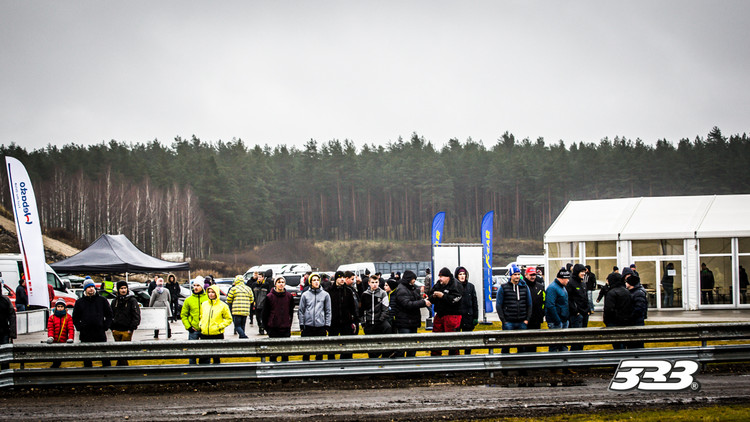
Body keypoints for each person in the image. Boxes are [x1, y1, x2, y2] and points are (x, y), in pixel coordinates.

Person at [72, 279, 113, 367]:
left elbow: (109, 314)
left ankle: (107, 371)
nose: (91, 289)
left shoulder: (102, 300)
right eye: (89, 287)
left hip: (99, 332)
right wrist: (80, 327)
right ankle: (88, 373)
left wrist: (105, 326)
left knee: (104, 355)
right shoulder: (79, 302)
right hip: (85, 333)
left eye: (92, 287)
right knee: (87, 356)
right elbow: (75, 317)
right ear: (85, 289)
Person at [391, 270, 431, 357]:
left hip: (412, 322)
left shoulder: (410, 288)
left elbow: (415, 301)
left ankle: (410, 365)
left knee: (412, 347)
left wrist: (423, 299)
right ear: (409, 279)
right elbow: (407, 304)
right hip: (405, 323)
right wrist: (423, 302)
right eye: (413, 279)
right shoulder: (401, 290)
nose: (414, 281)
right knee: (404, 346)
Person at [496, 264, 532, 354]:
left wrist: (527, 319)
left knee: (522, 347)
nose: (517, 276)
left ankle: (520, 366)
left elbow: (529, 304)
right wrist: (504, 320)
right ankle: (504, 365)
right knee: (506, 346)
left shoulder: (524, 287)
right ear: (511, 276)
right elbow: (498, 305)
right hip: (509, 322)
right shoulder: (503, 288)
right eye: (515, 274)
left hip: (522, 322)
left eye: (518, 274)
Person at [428, 267, 463, 356]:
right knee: (436, 338)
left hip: (452, 315)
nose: (440, 278)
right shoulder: (438, 284)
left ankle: (453, 359)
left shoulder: (456, 284)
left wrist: (443, 296)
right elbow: (430, 296)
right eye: (439, 276)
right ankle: (435, 357)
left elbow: (456, 299)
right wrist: (434, 297)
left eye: (442, 276)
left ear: (448, 277)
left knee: (451, 340)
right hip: (439, 314)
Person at [298, 273, 331, 361]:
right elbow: (301, 310)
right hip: (308, 326)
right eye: (314, 280)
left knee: (319, 352)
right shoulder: (305, 295)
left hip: (320, 326)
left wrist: (327, 325)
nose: (316, 282)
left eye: (317, 280)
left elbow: (328, 311)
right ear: (310, 282)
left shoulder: (325, 295)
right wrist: (301, 324)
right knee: (306, 352)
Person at [262, 276, 295, 362]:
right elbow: (265, 314)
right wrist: (267, 328)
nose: (281, 284)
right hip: (273, 329)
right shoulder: (269, 297)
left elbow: (291, 312)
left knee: (285, 354)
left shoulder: (289, 296)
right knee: (273, 354)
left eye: (282, 282)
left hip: (285, 328)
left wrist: (289, 324)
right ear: (275, 284)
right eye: (279, 282)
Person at [326, 271, 358, 359]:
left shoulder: (348, 291)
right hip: (333, 322)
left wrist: (354, 320)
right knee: (332, 346)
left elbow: (352, 307)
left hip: (346, 322)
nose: (342, 279)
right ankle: (331, 363)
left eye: (343, 277)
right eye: (340, 277)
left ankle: (346, 363)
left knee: (347, 345)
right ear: (336, 279)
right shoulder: (329, 291)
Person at [199, 284, 232, 364]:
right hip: (204, 334)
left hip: (217, 334)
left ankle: (217, 373)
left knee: (216, 357)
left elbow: (229, 319)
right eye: (209, 292)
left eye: (212, 292)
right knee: (203, 357)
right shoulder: (204, 304)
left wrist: (219, 326)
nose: (210, 294)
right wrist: (201, 325)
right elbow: (201, 316)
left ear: (216, 293)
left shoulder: (223, 306)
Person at [110, 281, 141, 366]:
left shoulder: (132, 300)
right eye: (121, 288)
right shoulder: (115, 301)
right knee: (119, 352)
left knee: (123, 352)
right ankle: (122, 369)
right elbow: (111, 314)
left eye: (125, 288)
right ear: (118, 289)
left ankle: (121, 369)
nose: (123, 290)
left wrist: (131, 328)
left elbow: (136, 315)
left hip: (127, 330)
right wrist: (112, 328)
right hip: (116, 330)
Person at [360, 275, 391, 358]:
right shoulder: (364, 294)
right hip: (369, 323)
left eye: (376, 282)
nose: (374, 284)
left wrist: (380, 320)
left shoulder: (383, 293)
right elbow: (362, 310)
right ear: (369, 283)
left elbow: (385, 309)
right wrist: (363, 323)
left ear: (379, 283)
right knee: (371, 348)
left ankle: (385, 355)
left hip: (379, 322)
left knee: (386, 331)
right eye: (372, 282)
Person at [181, 276, 208, 364]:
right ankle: (191, 370)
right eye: (194, 285)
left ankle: (204, 371)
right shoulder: (188, 300)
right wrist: (188, 327)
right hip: (193, 330)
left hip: (205, 330)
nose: (195, 287)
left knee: (205, 352)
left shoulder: (207, 298)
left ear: (202, 286)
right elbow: (184, 315)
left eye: (198, 285)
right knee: (192, 352)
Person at [603, 273, 632, 349]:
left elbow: (608, 309)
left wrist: (606, 320)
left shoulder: (611, 293)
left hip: (614, 322)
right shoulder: (627, 292)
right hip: (626, 321)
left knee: (617, 344)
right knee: (623, 342)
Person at [545, 268, 570, 353]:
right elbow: (550, 305)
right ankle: (553, 363)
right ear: (562, 278)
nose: (568, 280)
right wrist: (557, 321)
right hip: (556, 322)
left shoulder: (562, 287)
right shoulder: (552, 288)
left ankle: (564, 362)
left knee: (564, 343)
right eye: (567, 278)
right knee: (554, 344)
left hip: (563, 320)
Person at [566, 264, 590, 351]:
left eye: (584, 272)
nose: (583, 273)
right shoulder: (571, 283)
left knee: (583, 338)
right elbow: (569, 299)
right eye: (581, 272)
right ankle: (574, 356)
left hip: (584, 314)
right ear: (577, 272)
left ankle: (580, 355)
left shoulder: (583, 283)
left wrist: (588, 310)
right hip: (576, 315)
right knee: (576, 338)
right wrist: (576, 311)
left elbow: (585, 298)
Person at [46, 298, 75, 368]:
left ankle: (57, 365)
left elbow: (71, 329)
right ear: (56, 307)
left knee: (60, 354)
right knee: (54, 354)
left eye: (61, 307)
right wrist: (50, 337)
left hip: (63, 340)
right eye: (58, 306)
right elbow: (50, 328)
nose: (60, 308)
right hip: (54, 340)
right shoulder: (52, 317)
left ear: (64, 308)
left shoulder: (68, 317)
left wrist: (71, 338)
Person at [455, 267, 478, 354]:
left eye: (464, 274)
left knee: (468, 339)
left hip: (468, 316)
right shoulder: (454, 286)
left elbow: (474, 303)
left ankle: (468, 356)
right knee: (456, 339)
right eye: (460, 274)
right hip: (457, 316)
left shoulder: (471, 287)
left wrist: (475, 316)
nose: (462, 276)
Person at [523, 266, 546, 352]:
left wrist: (542, 313)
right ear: (526, 275)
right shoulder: (522, 286)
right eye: (531, 275)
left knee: (535, 341)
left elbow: (544, 300)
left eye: (534, 275)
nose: (533, 277)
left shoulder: (540, 286)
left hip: (537, 319)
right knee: (525, 341)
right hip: (525, 319)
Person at [227, 275, 254, 339]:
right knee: (242, 325)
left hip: (236, 310)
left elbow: (229, 299)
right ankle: (242, 338)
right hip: (246, 310)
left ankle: (244, 336)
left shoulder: (233, 289)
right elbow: (252, 299)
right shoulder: (248, 289)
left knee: (237, 326)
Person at [626, 274, 648, 349]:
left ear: (631, 284)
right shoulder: (633, 292)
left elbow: (639, 308)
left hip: (636, 321)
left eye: (627, 282)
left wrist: (630, 315)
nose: (625, 283)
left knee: (637, 343)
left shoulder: (638, 293)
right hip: (634, 321)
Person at [0, 278, 16, 370]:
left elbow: (12, 316)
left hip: (4, 331)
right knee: (5, 355)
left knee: (5, 356)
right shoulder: (5, 300)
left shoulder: (5, 300)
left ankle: (5, 370)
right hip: (4, 331)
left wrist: (12, 333)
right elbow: (12, 316)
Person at [253, 269, 272, 335]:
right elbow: (253, 294)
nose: (259, 279)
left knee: (263, 317)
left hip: (264, 304)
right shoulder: (254, 285)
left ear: (263, 278)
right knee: (257, 317)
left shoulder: (266, 285)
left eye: (260, 277)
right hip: (257, 304)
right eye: (258, 277)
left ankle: (262, 328)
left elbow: (269, 294)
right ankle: (260, 327)